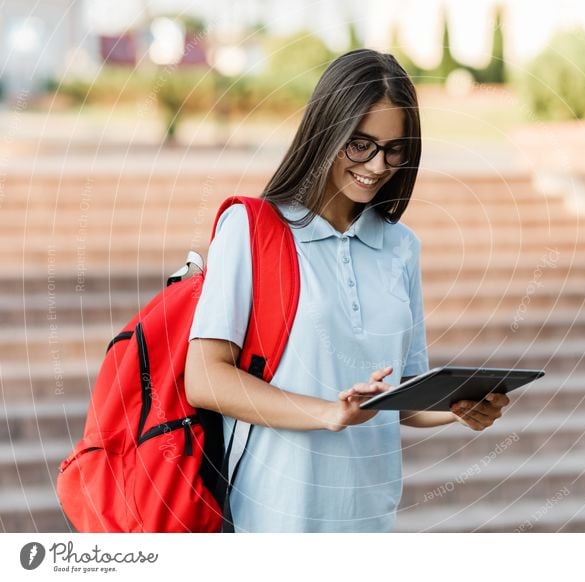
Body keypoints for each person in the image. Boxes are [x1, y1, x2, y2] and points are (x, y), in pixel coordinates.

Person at [185, 48, 511, 533]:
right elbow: (205, 378)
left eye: (394, 149)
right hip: (273, 522)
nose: (378, 166)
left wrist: (461, 409)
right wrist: (328, 413)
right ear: (326, 131)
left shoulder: (400, 247)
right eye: (360, 145)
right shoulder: (252, 229)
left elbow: (404, 397)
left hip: (370, 520)